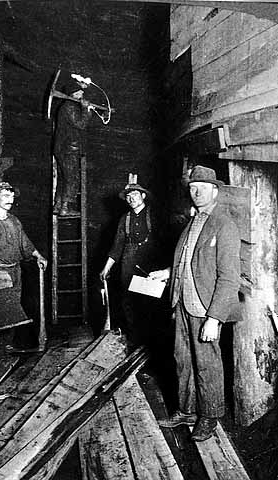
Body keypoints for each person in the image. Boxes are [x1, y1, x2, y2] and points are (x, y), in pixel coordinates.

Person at [150, 165, 241, 442]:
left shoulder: (224, 224)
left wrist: (215, 318)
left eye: (202, 187)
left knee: (207, 364)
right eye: (192, 187)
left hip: (205, 307)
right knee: (183, 360)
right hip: (182, 302)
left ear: (215, 190)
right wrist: (167, 273)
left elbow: (229, 277)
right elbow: (189, 260)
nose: (196, 192)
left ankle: (210, 417)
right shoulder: (193, 222)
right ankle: (188, 411)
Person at [100, 182, 163, 348]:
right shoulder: (124, 219)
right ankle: (135, 342)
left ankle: (152, 345)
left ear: (143, 196)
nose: (131, 198)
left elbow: (164, 242)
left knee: (150, 303)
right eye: (128, 196)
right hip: (128, 263)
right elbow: (117, 246)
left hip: (149, 263)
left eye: (134, 194)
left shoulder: (154, 215)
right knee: (129, 303)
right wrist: (107, 268)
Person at [0, 181, 47, 289]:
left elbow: (25, 243)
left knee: (15, 302)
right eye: (6, 196)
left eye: (12, 197)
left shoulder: (14, 220)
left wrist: (39, 256)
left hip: (16, 271)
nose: (10, 200)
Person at [53, 80, 92, 216]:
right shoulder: (70, 107)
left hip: (62, 148)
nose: (82, 93)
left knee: (64, 178)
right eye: (79, 91)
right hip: (69, 149)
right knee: (72, 178)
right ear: (73, 93)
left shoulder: (67, 107)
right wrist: (86, 111)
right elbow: (81, 124)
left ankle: (58, 205)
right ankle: (65, 208)